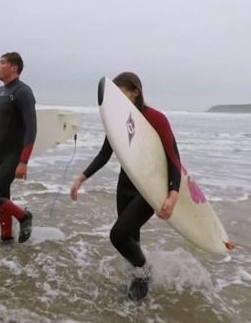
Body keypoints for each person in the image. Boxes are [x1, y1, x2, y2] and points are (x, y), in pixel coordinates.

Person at [69, 72, 181, 301]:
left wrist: (173, 194)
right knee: (132, 238)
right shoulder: (118, 121)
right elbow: (105, 153)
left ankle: (145, 272)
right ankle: (137, 286)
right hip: (125, 186)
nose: (117, 101)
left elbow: (173, 158)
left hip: (149, 188)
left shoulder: (156, 118)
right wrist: (82, 177)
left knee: (118, 235)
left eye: (121, 94)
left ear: (135, 92)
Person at [0, 52, 36, 244]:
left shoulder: (23, 91)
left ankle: (24, 217)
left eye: (2, 62)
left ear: (14, 68)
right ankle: (6, 237)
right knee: (3, 196)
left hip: (14, 155)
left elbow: (31, 127)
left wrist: (23, 161)